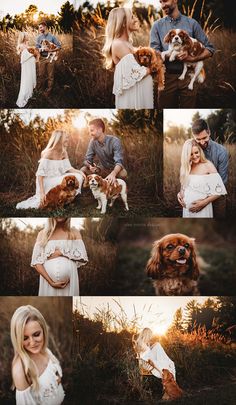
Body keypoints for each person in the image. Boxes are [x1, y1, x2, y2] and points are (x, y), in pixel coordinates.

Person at [150, 0, 215, 108]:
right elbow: (154, 53)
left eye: (165, 1)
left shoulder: (192, 23)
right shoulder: (157, 26)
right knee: (165, 110)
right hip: (166, 78)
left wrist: (193, 58)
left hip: (188, 75)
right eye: (160, 2)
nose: (163, 5)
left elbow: (210, 49)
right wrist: (171, 54)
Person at [16, 129, 85, 209]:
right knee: (63, 182)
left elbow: (69, 168)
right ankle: (59, 199)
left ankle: (67, 199)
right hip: (46, 180)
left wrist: (80, 172)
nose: (67, 139)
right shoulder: (49, 153)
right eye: (66, 138)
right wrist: (42, 193)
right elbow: (40, 174)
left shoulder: (63, 152)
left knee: (78, 177)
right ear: (59, 139)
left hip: (58, 176)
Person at [11, 305, 65, 405]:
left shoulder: (45, 350)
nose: (32, 343)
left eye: (36, 334)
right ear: (17, 338)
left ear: (44, 330)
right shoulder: (21, 370)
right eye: (25, 338)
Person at [102, 7, 153, 109]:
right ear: (123, 22)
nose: (136, 19)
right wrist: (156, 66)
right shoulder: (118, 44)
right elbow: (137, 72)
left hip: (140, 94)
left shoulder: (127, 44)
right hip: (133, 98)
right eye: (132, 17)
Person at [178, 119, 229, 217]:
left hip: (217, 197)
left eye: (204, 138)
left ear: (209, 133)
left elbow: (222, 184)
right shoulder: (191, 149)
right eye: (198, 139)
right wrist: (180, 193)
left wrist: (204, 202)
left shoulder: (221, 152)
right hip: (192, 205)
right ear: (194, 137)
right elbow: (186, 179)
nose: (201, 142)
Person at [31, 217, 88, 296]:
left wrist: (61, 253)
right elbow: (36, 262)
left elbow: (83, 257)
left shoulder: (74, 232)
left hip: (69, 282)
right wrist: (51, 282)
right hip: (48, 284)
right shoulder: (42, 234)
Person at [80, 118, 128, 185]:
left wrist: (113, 174)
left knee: (123, 174)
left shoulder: (114, 141)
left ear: (100, 130)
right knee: (83, 170)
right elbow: (87, 160)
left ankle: (110, 181)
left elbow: (119, 162)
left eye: (92, 130)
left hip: (115, 170)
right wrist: (90, 166)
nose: (90, 133)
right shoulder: (92, 142)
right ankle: (94, 183)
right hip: (101, 169)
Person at [36, 21, 61, 96]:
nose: (40, 29)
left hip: (50, 58)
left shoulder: (52, 37)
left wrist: (50, 50)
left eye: (41, 27)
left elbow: (59, 46)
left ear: (45, 27)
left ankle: (48, 91)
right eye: (39, 28)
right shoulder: (38, 37)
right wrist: (39, 50)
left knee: (50, 76)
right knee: (41, 75)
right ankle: (39, 90)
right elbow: (36, 48)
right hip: (42, 58)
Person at [16, 32, 37, 107]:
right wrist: (34, 54)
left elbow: (30, 52)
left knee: (30, 77)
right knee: (26, 78)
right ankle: (25, 95)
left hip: (30, 65)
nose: (28, 36)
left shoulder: (26, 44)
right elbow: (25, 55)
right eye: (27, 36)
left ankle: (30, 93)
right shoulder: (21, 45)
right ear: (24, 37)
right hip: (26, 66)